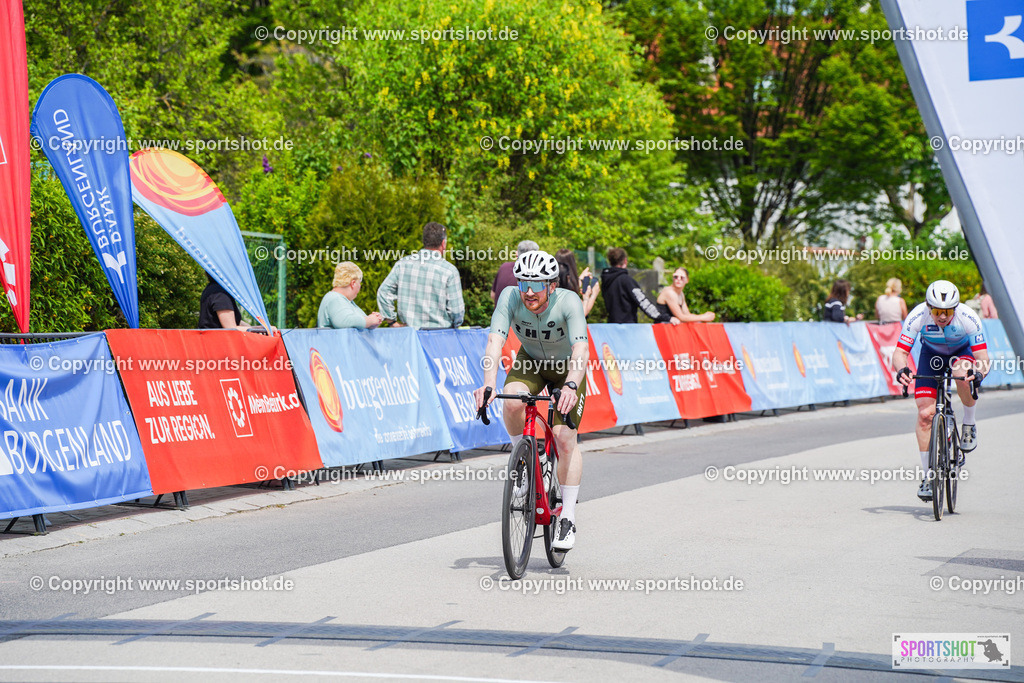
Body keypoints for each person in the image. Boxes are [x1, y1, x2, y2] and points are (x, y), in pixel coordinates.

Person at [474, 250, 588, 551]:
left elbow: (580, 351)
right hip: (531, 361)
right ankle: (525, 460)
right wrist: (488, 384)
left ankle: (568, 517)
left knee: (565, 439)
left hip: (567, 368)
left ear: (551, 285)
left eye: (535, 285)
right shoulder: (510, 297)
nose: (528, 292)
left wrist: (572, 385)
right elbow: (495, 341)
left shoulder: (569, 302)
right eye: (523, 284)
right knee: (510, 402)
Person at [893, 280, 989, 502]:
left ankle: (969, 422)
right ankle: (928, 476)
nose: (942, 316)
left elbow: (983, 358)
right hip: (931, 355)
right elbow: (899, 352)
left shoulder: (968, 317)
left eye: (947, 311)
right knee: (925, 415)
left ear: (955, 308)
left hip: (961, 353)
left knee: (961, 374)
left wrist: (980, 372)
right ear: (928, 307)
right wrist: (901, 370)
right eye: (937, 311)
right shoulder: (918, 315)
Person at [377, 221, 465, 329]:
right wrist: (455, 325)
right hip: (440, 337)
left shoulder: (402, 264)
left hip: (409, 337)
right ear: (443, 244)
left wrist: (392, 322)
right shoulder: (449, 271)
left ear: (424, 242)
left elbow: (383, 292)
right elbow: (457, 311)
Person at [601, 247, 678, 324]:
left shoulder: (606, 281)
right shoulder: (627, 281)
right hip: (627, 328)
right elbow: (643, 302)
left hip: (611, 328)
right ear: (625, 260)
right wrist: (666, 318)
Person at [317, 261, 384, 329]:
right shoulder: (335, 299)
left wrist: (372, 323)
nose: (360, 286)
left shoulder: (346, 301)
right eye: (359, 283)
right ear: (353, 283)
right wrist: (370, 320)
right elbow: (344, 321)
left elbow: (360, 321)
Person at [555, 248, 600, 316]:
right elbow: (581, 314)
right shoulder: (567, 292)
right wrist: (592, 296)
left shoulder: (553, 285)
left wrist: (579, 279)